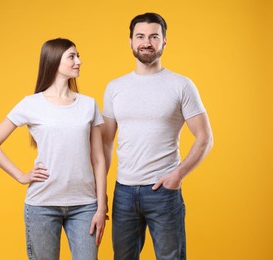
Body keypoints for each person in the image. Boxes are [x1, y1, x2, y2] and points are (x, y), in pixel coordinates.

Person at [101, 13, 214, 260]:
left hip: (164, 192)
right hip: (124, 192)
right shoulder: (114, 88)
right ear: (130, 41)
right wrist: (101, 191)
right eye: (140, 36)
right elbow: (105, 142)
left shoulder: (181, 85)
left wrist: (178, 175)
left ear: (164, 42)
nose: (146, 42)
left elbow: (205, 137)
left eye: (154, 36)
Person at [0, 38, 107, 260]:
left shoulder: (89, 104)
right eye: (72, 56)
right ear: (53, 61)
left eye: (79, 56)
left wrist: (101, 206)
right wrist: (21, 176)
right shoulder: (31, 104)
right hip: (42, 205)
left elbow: (98, 159)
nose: (78, 61)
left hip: (85, 205)